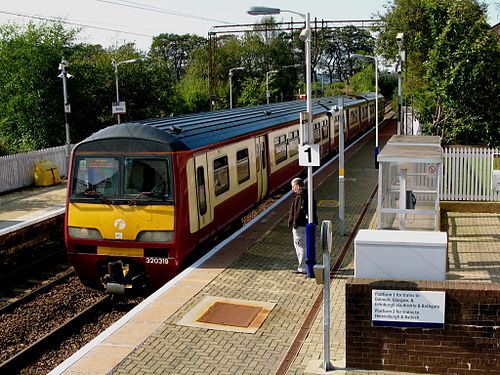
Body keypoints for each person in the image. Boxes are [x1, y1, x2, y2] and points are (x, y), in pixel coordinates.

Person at [287, 177, 317, 275]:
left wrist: (294, 223)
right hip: (306, 225)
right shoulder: (308, 194)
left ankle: (303, 268)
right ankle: (307, 266)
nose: (292, 189)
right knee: (306, 245)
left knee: (301, 247)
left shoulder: (300, 197)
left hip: (300, 226)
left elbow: (298, 212)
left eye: (293, 187)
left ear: (298, 186)